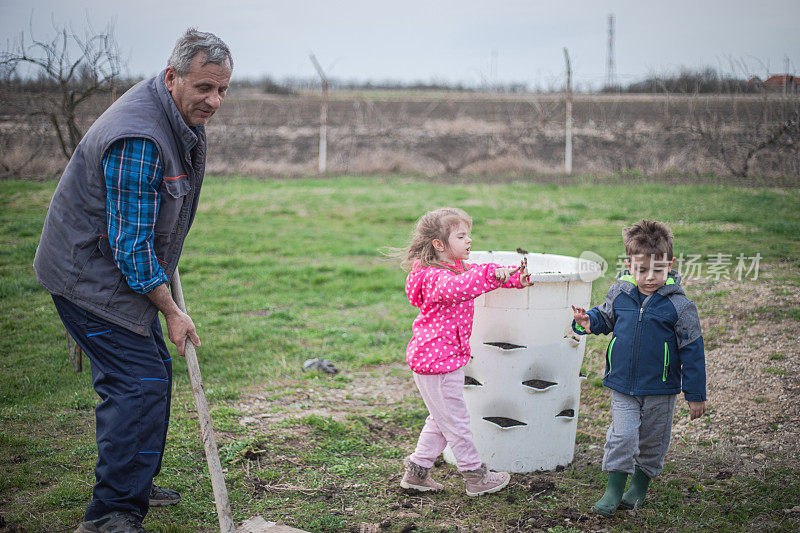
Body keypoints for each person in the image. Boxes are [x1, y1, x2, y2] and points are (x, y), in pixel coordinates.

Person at [33, 29, 233, 533]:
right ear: (172, 78)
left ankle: (132, 482)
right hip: (87, 274)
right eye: (204, 88)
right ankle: (111, 513)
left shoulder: (172, 115)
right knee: (139, 383)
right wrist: (170, 309)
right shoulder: (141, 137)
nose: (214, 101)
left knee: (143, 377)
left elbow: (144, 220)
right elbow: (130, 249)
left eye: (223, 90)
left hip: (109, 263)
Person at [571, 219, 706, 517]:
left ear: (670, 265)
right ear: (629, 264)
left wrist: (695, 393)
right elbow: (606, 317)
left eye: (657, 270)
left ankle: (639, 486)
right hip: (623, 384)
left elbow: (693, 349)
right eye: (641, 270)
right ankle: (613, 488)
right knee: (622, 435)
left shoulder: (679, 306)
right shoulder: (620, 293)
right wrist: (589, 321)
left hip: (661, 387)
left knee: (652, 440)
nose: (648, 278)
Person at [397, 207, 533, 496]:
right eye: (461, 235)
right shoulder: (436, 277)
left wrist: (512, 278)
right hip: (438, 363)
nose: (469, 240)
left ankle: (417, 473)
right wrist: (494, 276)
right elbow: (461, 288)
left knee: (440, 419)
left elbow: (476, 276)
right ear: (439, 244)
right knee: (456, 423)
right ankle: (475, 476)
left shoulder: (455, 268)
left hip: (443, 360)